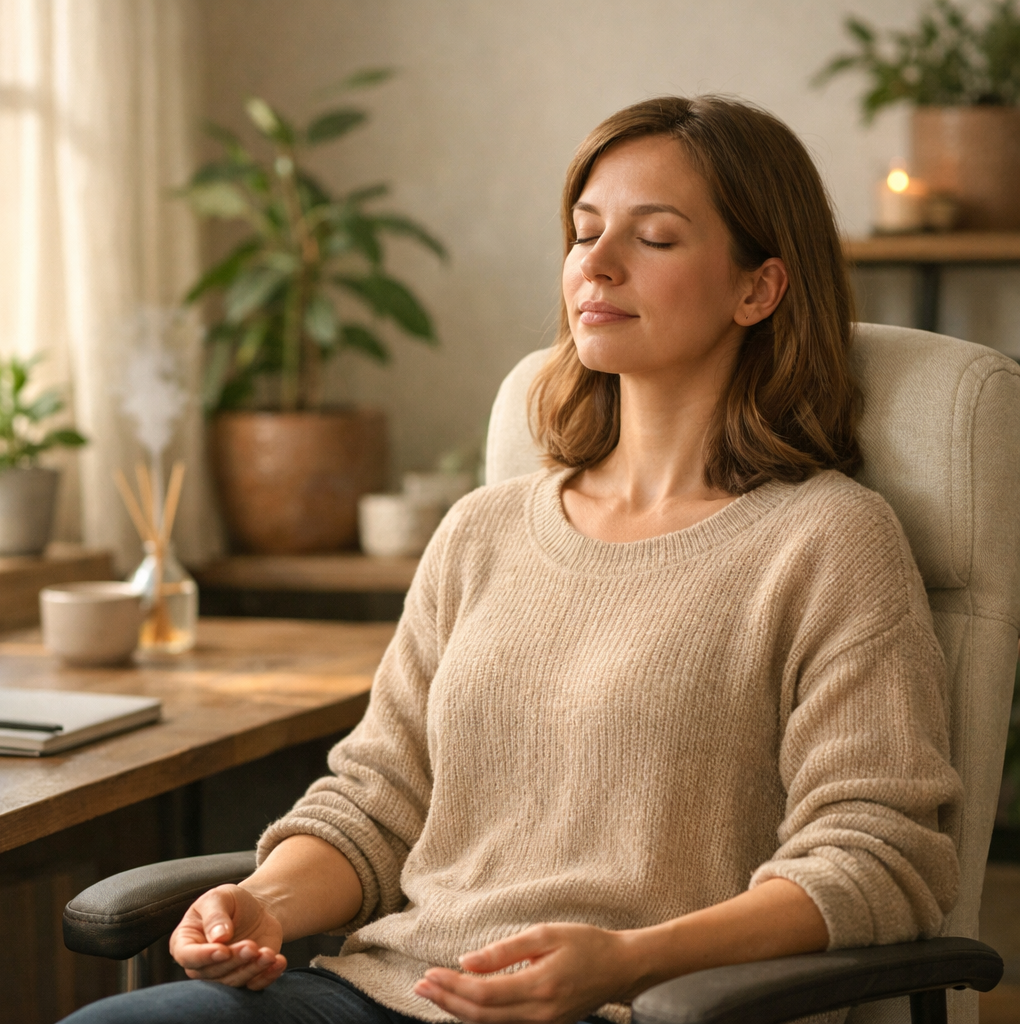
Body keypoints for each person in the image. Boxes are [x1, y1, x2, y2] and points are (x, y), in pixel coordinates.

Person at [64, 95, 962, 1024]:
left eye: (653, 239)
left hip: (634, 1010)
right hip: (378, 997)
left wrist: (626, 963)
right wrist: (263, 903)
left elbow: (879, 857)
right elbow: (377, 803)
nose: (597, 266)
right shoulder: (481, 530)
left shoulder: (826, 541)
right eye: (583, 233)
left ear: (758, 289)